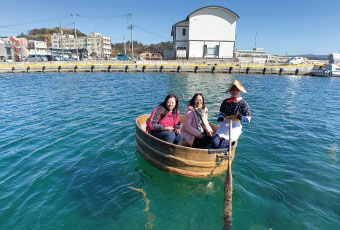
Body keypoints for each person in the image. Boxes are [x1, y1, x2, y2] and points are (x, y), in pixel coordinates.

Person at [212, 80, 251, 149]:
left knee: (221, 145)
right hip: (223, 126)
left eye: (236, 90)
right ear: (230, 91)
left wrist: (240, 117)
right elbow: (221, 113)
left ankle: (223, 146)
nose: (234, 91)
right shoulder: (225, 102)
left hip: (234, 127)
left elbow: (248, 118)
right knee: (215, 142)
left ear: (240, 91)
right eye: (232, 90)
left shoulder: (243, 104)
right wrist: (221, 117)